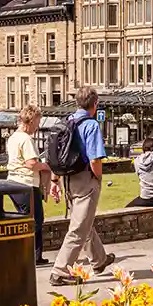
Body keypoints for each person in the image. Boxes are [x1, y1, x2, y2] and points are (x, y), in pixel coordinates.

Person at [50, 86, 115, 286]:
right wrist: (98, 178)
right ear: (94, 104)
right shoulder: (91, 125)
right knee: (79, 227)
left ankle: (99, 260)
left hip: (66, 179)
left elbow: (57, 155)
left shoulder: (66, 122)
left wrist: (55, 180)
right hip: (85, 179)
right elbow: (95, 159)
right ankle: (60, 271)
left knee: (84, 221)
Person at [7, 105, 56, 266]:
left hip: (13, 183)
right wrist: (47, 166)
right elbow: (31, 164)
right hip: (26, 184)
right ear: (31, 120)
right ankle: (33, 257)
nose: (38, 126)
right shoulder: (26, 139)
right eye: (37, 122)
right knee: (35, 221)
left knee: (25, 220)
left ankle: (28, 255)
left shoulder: (13, 137)